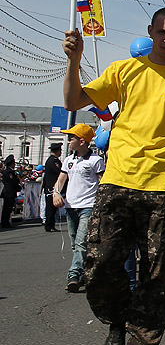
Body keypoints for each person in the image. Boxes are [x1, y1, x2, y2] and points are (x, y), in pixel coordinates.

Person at [63, 7, 165, 345]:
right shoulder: (124, 70)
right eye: (162, 32)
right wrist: (74, 60)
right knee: (101, 262)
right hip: (118, 181)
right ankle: (117, 319)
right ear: (151, 31)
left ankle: (144, 338)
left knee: (156, 270)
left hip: (164, 186)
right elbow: (73, 101)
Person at [53, 123, 105, 292]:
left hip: (88, 206)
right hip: (70, 206)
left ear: (82, 141)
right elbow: (61, 180)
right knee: (75, 243)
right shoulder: (68, 160)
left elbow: (102, 182)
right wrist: (56, 193)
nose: (68, 141)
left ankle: (73, 275)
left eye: (71, 138)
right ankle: (85, 272)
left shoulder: (95, 160)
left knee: (81, 241)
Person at [41, 142, 64, 231]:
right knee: (50, 208)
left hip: (51, 187)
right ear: (57, 151)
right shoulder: (53, 161)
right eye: (60, 150)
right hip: (51, 188)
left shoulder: (52, 160)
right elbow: (59, 173)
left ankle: (51, 224)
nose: (61, 152)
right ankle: (48, 225)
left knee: (53, 208)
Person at [1, 155, 20, 228]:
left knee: (9, 208)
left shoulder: (11, 171)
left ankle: (6, 222)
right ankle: (5, 223)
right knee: (7, 208)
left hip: (10, 192)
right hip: (9, 192)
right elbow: (12, 182)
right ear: (11, 163)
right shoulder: (8, 172)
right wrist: (18, 187)